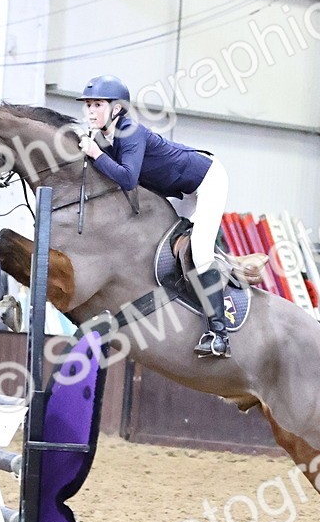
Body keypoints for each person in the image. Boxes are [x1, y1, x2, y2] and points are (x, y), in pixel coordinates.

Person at [77, 75, 232, 358]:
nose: (90, 111)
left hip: (207, 180)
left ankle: (219, 336)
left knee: (199, 252)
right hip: (181, 192)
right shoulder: (103, 138)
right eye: (88, 105)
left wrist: (96, 154)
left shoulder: (129, 132)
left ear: (116, 108)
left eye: (97, 104)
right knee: (162, 249)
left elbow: (127, 179)